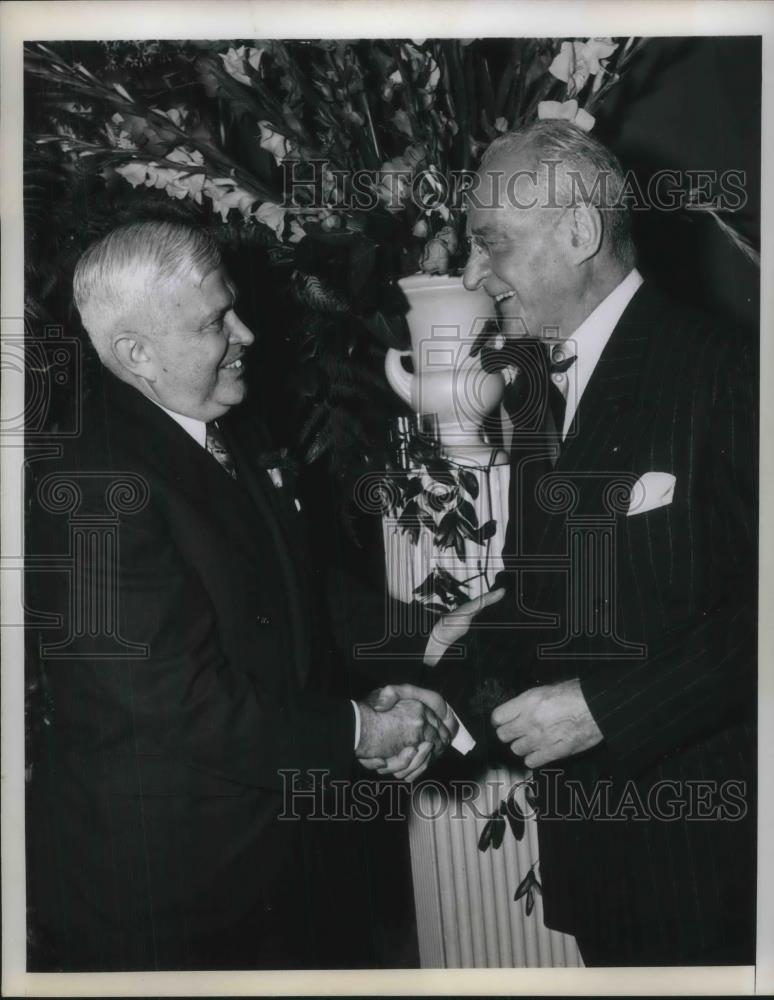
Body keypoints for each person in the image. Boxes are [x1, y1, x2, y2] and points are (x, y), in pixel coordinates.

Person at [24, 220, 461, 971]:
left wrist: (428, 637)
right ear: (136, 355)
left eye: (233, 307)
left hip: (278, 861)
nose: (247, 332)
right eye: (215, 321)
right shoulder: (92, 486)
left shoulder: (228, 420)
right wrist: (358, 731)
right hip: (170, 896)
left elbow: (296, 589)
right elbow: (175, 702)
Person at [390, 120, 757, 966]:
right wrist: (432, 710)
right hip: (602, 866)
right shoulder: (541, 395)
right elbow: (536, 600)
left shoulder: (729, 371)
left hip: (717, 870)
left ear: (580, 232)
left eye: (492, 245)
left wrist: (608, 711)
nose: (476, 278)